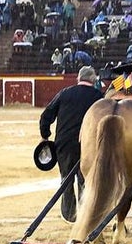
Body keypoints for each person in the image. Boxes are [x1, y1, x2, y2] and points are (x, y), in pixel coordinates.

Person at [38, 65, 103, 223]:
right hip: (87, 144)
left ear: (78, 78)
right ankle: (84, 212)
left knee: (66, 178)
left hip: (64, 144)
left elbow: (46, 116)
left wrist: (45, 136)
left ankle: (69, 215)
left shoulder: (65, 93)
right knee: (84, 179)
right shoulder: (98, 96)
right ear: (93, 80)